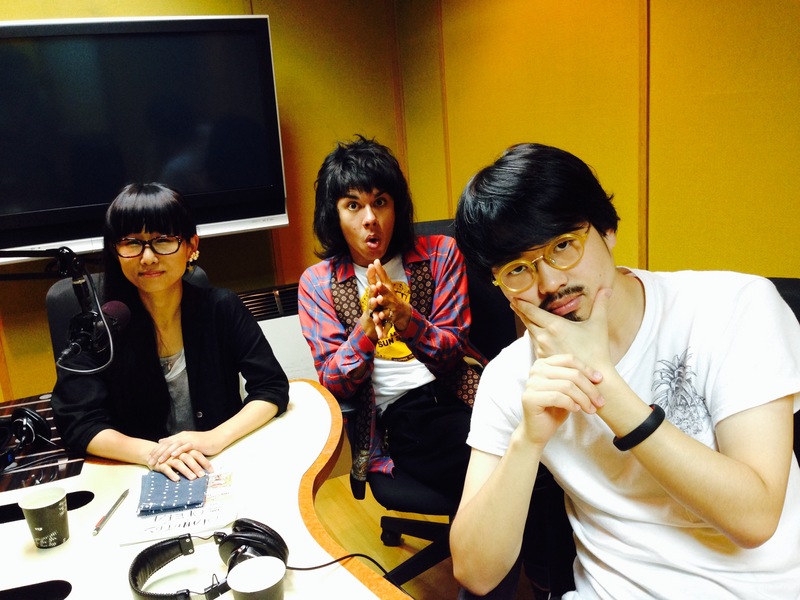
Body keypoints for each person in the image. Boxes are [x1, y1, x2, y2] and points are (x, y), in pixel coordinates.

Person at [450, 143, 800, 598]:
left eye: (563, 246)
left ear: (607, 229)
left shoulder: (733, 308)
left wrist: (604, 385)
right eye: (518, 269)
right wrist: (527, 441)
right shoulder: (509, 377)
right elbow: (475, 573)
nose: (550, 282)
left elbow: (755, 518)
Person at [51, 183, 289, 481]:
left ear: (191, 246)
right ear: (115, 250)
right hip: (135, 472)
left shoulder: (222, 307)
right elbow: (78, 422)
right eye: (131, 243)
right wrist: (152, 454)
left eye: (163, 241)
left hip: (221, 462)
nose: (148, 257)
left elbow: (271, 387)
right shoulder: (97, 327)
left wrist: (215, 438)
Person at [298, 135, 480, 503]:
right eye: (353, 205)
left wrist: (406, 317)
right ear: (334, 215)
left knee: (534, 445)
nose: (370, 219)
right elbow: (334, 384)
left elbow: (451, 353)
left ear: (396, 206)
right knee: (493, 463)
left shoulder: (440, 254)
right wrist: (366, 331)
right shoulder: (317, 283)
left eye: (380, 202)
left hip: (462, 390)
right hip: (400, 414)